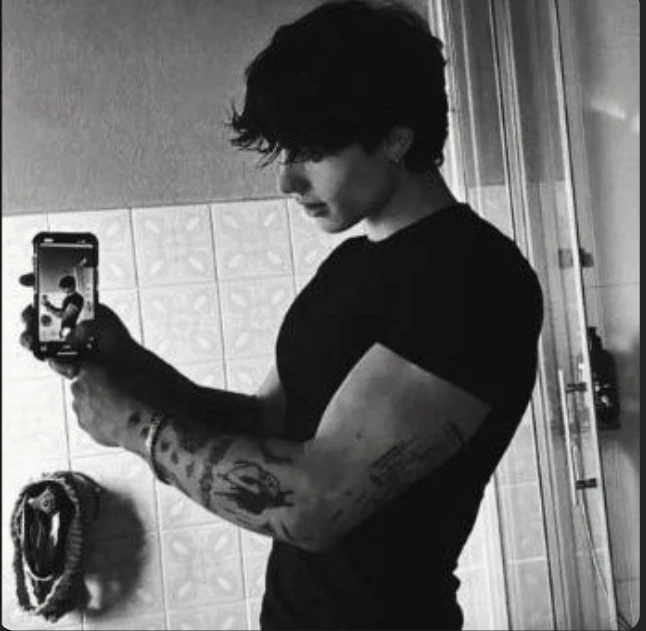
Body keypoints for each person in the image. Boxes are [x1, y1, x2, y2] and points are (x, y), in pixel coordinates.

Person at [20, 1, 544, 629]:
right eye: (285, 151)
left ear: (396, 138)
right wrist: (127, 363)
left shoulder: (474, 279)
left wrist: (137, 429)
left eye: (313, 151)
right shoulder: (349, 265)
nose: (287, 181)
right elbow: (265, 426)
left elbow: (315, 506)